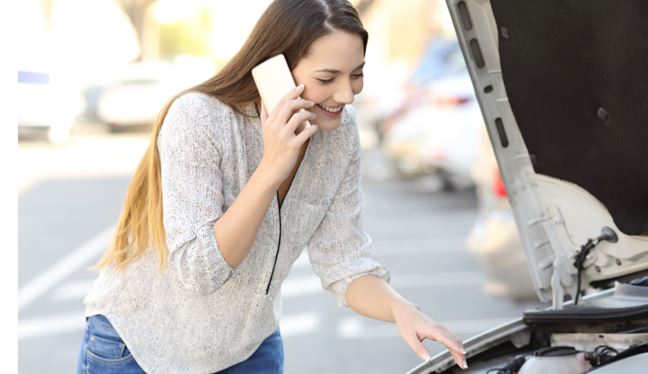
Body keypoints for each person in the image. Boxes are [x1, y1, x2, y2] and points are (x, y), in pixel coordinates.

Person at [77, 0, 468, 373]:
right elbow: (200, 271)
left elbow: (344, 261)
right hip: (142, 352)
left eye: (357, 74)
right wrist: (270, 169)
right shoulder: (199, 120)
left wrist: (402, 310)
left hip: (250, 348)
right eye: (327, 78)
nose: (347, 95)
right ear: (273, 70)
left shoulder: (340, 133)